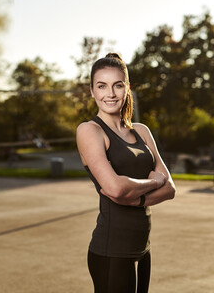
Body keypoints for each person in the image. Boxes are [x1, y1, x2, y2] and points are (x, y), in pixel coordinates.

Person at [76, 53, 176, 293]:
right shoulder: (90, 131)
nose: (110, 94)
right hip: (112, 250)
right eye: (102, 86)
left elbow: (170, 188)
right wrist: (152, 182)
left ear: (127, 88)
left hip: (142, 249)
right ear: (92, 90)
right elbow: (115, 189)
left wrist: (137, 197)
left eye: (117, 85)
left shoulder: (141, 131)